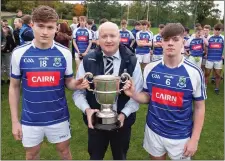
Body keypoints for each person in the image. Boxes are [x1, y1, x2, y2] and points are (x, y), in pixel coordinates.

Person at [9, 5, 88, 160]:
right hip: (31, 119)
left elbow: (68, 82)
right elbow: (14, 86)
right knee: (31, 154)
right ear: (32, 25)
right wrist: (14, 121)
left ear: (56, 28)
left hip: (58, 117)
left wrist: (75, 85)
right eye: (40, 26)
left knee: (64, 152)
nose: (45, 32)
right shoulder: (19, 53)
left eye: (50, 27)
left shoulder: (64, 53)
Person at [123, 23, 206, 160]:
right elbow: (149, 97)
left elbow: (199, 106)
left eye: (175, 39)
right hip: (153, 130)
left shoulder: (194, 72)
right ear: (161, 42)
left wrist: (194, 139)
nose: (170, 43)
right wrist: (134, 94)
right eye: (166, 39)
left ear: (183, 42)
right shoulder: (150, 68)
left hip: (181, 135)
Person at [73, 21, 143, 160]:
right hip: (95, 121)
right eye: (104, 36)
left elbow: (137, 94)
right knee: (95, 157)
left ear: (119, 37)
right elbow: (78, 92)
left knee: (120, 157)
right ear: (98, 39)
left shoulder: (132, 61)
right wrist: (87, 110)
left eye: (113, 35)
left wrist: (124, 114)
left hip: (123, 123)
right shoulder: (88, 60)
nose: (109, 40)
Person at [204, 23, 224, 94]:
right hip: (209, 59)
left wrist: (223, 54)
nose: (217, 31)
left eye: (219, 30)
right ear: (213, 30)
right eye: (216, 30)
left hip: (218, 60)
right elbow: (206, 46)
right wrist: (206, 53)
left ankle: (217, 88)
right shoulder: (209, 37)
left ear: (221, 31)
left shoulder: (223, 38)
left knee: (218, 75)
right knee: (207, 74)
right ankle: (205, 87)